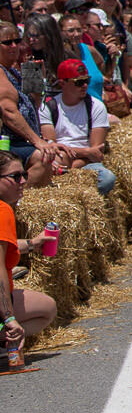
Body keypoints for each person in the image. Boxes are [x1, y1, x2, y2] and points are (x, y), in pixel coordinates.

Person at [0, 150, 57, 351]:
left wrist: (33, 243)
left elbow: (6, 245)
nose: (23, 181)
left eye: (23, 175)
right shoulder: (2, 210)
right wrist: (9, 319)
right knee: (47, 308)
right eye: (15, 177)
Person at [41, 59, 115, 194]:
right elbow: (52, 147)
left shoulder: (96, 106)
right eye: (79, 82)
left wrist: (69, 168)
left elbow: (97, 153)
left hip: (84, 164)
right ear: (63, 83)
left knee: (107, 178)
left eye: (87, 80)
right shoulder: (48, 107)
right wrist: (86, 152)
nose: (85, 86)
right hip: (59, 161)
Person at [1, 21, 56, 188]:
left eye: (17, 41)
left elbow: (35, 106)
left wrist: (35, 81)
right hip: (6, 143)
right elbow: (8, 111)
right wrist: (37, 141)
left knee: (53, 152)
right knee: (42, 157)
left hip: (22, 141)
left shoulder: (13, 71)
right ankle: (16, 203)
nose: (14, 46)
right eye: (7, 42)